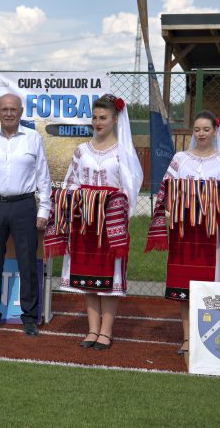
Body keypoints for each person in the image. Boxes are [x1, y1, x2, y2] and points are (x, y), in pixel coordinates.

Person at [145, 110, 220, 356]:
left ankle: (209, 337)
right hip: (184, 231)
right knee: (184, 286)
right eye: (197, 129)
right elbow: (166, 189)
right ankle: (187, 337)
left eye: (206, 129)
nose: (201, 134)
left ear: (214, 132)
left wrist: (213, 195)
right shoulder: (180, 159)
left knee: (210, 285)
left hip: (211, 233)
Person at [51, 94, 143, 350]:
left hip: (110, 223)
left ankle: (106, 331)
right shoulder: (82, 150)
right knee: (88, 278)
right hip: (85, 221)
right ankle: (92, 329)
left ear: (115, 120)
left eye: (103, 117)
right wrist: (78, 198)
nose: (98, 122)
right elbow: (71, 181)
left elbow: (131, 186)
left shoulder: (123, 152)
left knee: (109, 278)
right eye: (94, 117)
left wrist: (112, 203)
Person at [0, 93, 51, 336]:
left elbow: (43, 176)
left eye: (13, 109)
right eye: (4, 109)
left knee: (27, 263)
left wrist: (44, 208)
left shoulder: (33, 139)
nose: (8, 113)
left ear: (21, 112)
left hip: (24, 206)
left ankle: (29, 316)